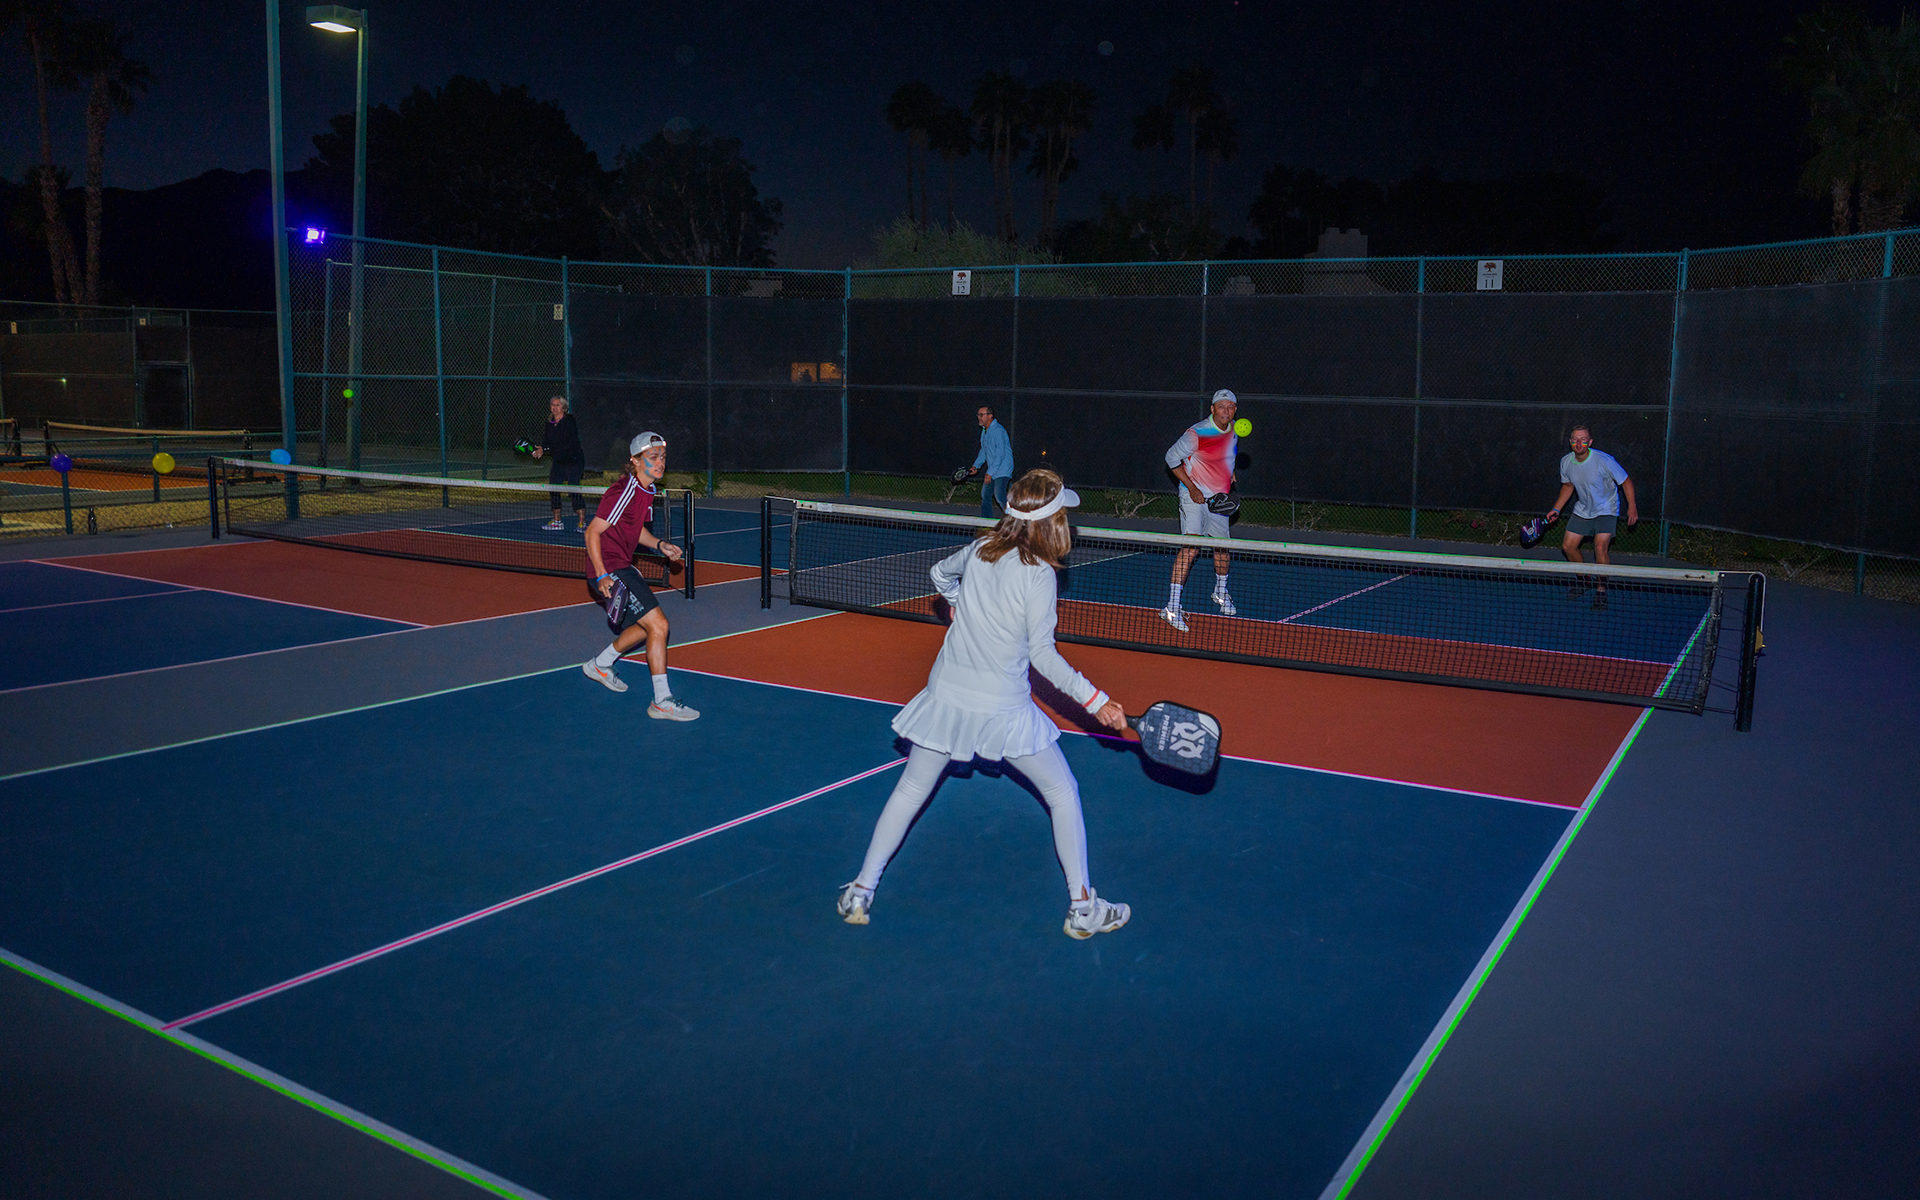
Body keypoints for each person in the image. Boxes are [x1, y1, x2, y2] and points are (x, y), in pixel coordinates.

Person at [837, 468, 1132, 940]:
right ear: (1051, 521)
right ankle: (1083, 910)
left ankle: (860, 890)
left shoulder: (980, 549)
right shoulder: (1039, 575)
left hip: (947, 694)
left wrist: (958, 604)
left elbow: (939, 573)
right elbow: (1042, 655)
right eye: (1064, 513)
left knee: (910, 791)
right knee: (1062, 793)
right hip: (1001, 707)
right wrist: (1096, 701)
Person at [581, 432, 698, 720]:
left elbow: (636, 530)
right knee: (659, 625)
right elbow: (592, 531)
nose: (660, 463)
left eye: (663, 457)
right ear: (635, 461)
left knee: (647, 628)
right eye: (653, 457)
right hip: (610, 568)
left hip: (622, 565)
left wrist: (659, 544)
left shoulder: (647, 490)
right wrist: (602, 575)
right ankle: (661, 701)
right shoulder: (624, 490)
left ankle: (600, 665)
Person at [1160, 389, 1239, 632]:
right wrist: (1192, 488)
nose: (1226, 411)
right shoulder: (1196, 433)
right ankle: (1171, 608)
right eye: (1221, 406)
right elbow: (1171, 458)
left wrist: (1229, 473)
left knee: (1222, 548)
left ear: (1235, 410)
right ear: (1212, 409)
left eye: (1230, 407)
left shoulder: (1234, 430)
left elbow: (1224, 454)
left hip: (1218, 500)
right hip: (1192, 496)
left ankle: (1220, 592)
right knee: (1191, 547)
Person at [1544, 424, 1638, 609]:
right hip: (1583, 509)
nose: (1579, 443)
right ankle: (1585, 579)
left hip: (1606, 509)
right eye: (1575, 439)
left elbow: (1626, 481)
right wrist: (1556, 509)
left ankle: (1601, 590)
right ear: (1570, 442)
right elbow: (1568, 486)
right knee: (1568, 547)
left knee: (1600, 547)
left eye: (1583, 439)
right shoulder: (1566, 462)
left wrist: (1632, 507)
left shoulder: (1604, 460)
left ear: (1590, 442)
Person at [533, 394, 587, 532]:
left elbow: (564, 442)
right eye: (553, 405)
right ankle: (557, 521)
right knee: (553, 488)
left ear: (563, 407)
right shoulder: (549, 424)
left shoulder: (569, 421)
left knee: (573, 489)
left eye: (558, 405)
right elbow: (547, 442)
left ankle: (582, 523)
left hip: (574, 459)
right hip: (559, 461)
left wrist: (545, 450)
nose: (555, 407)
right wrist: (540, 449)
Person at [971, 404, 1014, 517]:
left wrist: (989, 473)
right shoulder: (985, 431)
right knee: (985, 495)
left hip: (1003, 469)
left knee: (999, 496)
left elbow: (1000, 454)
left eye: (981, 415)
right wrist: (976, 466)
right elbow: (983, 451)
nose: (979, 417)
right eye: (978, 415)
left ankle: (1014, 519)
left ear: (990, 416)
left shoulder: (998, 431)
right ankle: (986, 522)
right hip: (993, 469)